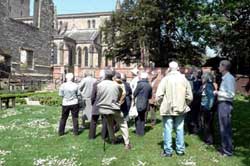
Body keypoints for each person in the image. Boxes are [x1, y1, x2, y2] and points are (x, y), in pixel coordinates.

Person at [156, 61, 193, 157]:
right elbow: (190, 96)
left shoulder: (165, 79)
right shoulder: (184, 79)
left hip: (167, 108)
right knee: (180, 129)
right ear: (177, 68)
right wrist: (184, 104)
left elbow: (159, 95)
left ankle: (168, 151)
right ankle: (180, 150)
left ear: (169, 68)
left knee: (167, 129)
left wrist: (160, 104)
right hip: (180, 108)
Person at [96, 69, 131, 150]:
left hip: (103, 108)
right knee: (123, 124)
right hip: (113, 108)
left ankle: (113, 140)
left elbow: (98, 96)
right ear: (112, 76)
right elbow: (122, 95)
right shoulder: (116, 85)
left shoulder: (99, 85)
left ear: (104, 75)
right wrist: (118, 102)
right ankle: (127, 143)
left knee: (109, 123)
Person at [214, 60, 236, 157]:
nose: (218, 67)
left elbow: (231, 94)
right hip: (222, 104)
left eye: (219, 66)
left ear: (223, 67)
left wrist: (218, 93)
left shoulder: (229, 78)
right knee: (223, 126)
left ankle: (227, 151)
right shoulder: (225, 78)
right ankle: (225, 147)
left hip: (225, 104)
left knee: (225, 127)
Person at [89, 70, 108, 139]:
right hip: (104, 104)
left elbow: (93, 96)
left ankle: (92, 136)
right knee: (104, 120)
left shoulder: (96, 84)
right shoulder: (107, 84)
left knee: (94, 121)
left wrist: (92, 103)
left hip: (97, 104)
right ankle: (104, 135)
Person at [133, 72, 152, 136]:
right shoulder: (149, 85)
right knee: (143, 117)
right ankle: (142, 132)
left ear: (141, 77)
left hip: (139, 102)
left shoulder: (140, 84)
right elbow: (150, 96)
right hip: (146, 103)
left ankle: (138, 132)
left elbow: (135, 93)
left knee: (138, 118)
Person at [200, 72, 215, 145]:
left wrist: (208, 108)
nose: (201, 79)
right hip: (204, 106)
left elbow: (211, 98)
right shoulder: (205, 85)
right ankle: (207, 139)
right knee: (206, 124)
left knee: (207, 124)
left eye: (202, 78)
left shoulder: (209, 85)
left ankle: (209, 141)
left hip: (207, 108)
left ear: (205, 78)